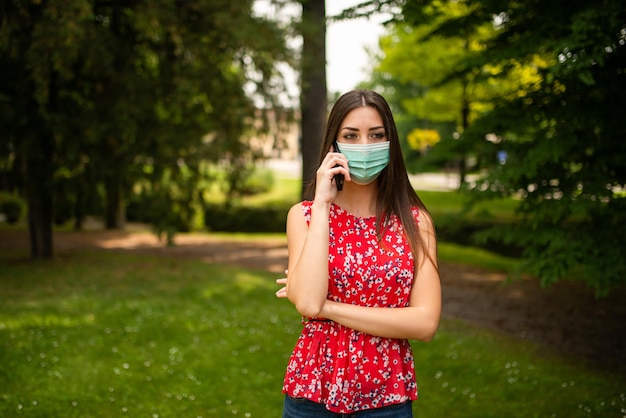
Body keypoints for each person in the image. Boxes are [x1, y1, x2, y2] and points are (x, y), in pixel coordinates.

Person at [275, 90, 441, 417]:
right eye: (351, 136)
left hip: (386, 398)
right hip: (311, 394)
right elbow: (308, 304)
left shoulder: (416, 223)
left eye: (376, 135)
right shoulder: (305, 216)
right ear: (333, 145)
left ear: (390, 143)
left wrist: (330, 308)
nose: (364, 146)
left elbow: (424, 323)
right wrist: (323, 204)